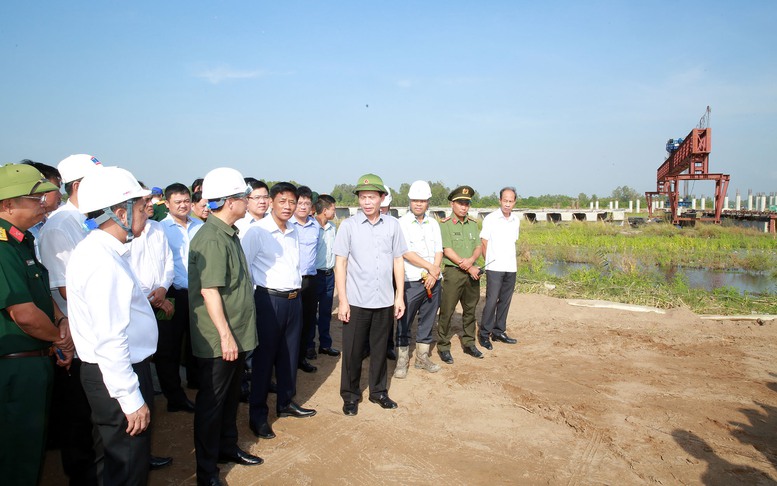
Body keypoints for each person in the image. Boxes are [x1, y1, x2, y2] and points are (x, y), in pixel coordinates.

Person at [66, 166, 158, 486]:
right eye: (140, 207)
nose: (147, 212)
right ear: (120, 212)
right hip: (117, 375)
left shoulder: (102, 251)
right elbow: (110, 338)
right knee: (127, 465)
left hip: (111, 373)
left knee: (111, 462)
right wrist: (131, 399)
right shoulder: (101, 260)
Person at [0, 163, 72, 486]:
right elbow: (24, 314)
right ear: (8, 204)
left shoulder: (22, 241)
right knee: (15, 456)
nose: (44, 204)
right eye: (35, 199)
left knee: (29, 453)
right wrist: (59, 340)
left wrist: (60, 319)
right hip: (16, 369)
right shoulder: (2, 247)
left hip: (35, 361)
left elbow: (42, 295)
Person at [189, 167, 262, 486]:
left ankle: (226, 448)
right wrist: (225, 336)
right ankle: (206, 471)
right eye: (245, 197)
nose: (248, 201)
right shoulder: (212, 238)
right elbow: (209, 291)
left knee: (230, 398)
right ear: (230, 201)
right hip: (221, 340)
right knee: (211, 405)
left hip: (236, 335)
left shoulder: (227, 233)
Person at [38, 153, 104, 484]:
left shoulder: (86, 219)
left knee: (94, 411)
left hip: (93, 329)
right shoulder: (59, 226)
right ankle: (82, 475)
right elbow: (65, 290)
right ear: (77, 185)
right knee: (77, 414)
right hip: (73, 333)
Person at [242, 182, 316, 441]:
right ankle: (258, 416)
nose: (288, 206)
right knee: (264, 361)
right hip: (268, 301)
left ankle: (286, 402)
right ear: (271, 202)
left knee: (289, 355)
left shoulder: (294, 230)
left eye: (292, 202)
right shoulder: (257, 232)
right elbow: (245, 269)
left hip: (294, 300)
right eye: (282, 201)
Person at [334, 174, 407, 416]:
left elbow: (398, 261)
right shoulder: (348, 226)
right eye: (363, 197)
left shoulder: (393, 225)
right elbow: (341, 263)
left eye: (371, 197)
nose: (367, 202)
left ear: (382, 198)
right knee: (353, 351)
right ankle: (351, 395)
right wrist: (342, 300)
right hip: (356, 301)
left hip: (384, 300)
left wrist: (399, 297)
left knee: (379, 350)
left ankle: (378, 392)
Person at [394, 180, 443, 378]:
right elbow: (405, 252)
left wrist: (434, 273)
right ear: (410, 201)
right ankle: (402, 361)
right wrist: (431, 268)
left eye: (422, 201)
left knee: (428, 320)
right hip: (411, 281)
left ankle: (422, 358)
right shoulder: (402, 224)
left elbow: (438, 250)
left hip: (433, 281)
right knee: (404, 321)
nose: (418, 204)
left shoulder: (433, 223)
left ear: (428, 202)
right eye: (415, 200)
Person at [160, 183, 204, 399]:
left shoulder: (199, 226)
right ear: (167, 204)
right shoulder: (160, 229)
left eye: (186, 201)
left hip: (198, 293)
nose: (183, 205)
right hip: (172, 294)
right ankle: (174, 394)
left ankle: (196, 381)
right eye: (177, 202)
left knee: (197, 339)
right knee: (171, 345)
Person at [437, 185, 483, 364]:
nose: (464, 207)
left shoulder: (472, 224)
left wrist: (472, 261)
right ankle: (443, 346)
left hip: (472, 273)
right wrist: (467, 265)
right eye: (460, 203)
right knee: (447, 310)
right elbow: (447, 250)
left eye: (466, 203)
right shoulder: (445, 225)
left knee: (470, 310)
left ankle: (469, 343)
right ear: (452, 204)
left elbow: (478, 246)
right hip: (454, 273)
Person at [478, 187, 520, 349]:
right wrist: (490, 261)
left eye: (511, 201)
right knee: (491, 300)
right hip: (495, 267)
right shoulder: (491, 219)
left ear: (514, 202)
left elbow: (512, 242)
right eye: (505, 200)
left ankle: (499, 331)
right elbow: (484, 241)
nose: (507, 204)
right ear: (500, 200)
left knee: (505, 300)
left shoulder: (515, 220)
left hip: (511, 267)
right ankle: (484, 334)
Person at [291, 185, 319, 373]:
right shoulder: (287, 224)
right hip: (292, 280)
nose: (303, 207)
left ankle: (301, 358)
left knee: (308, 321)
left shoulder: (315, 225)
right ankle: (288, 361)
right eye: (300, 203)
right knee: (291, 323)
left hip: (310, 280)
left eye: (306, 203)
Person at [309, 194, 340, 357]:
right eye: (333, 209)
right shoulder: (310, 226)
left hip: (329, 275)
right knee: (311, 312)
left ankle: (325, 344)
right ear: (325, 210)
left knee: (326, 312)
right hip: (314, 276)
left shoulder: (333, 227)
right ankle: (309, 346)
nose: (334, 212)